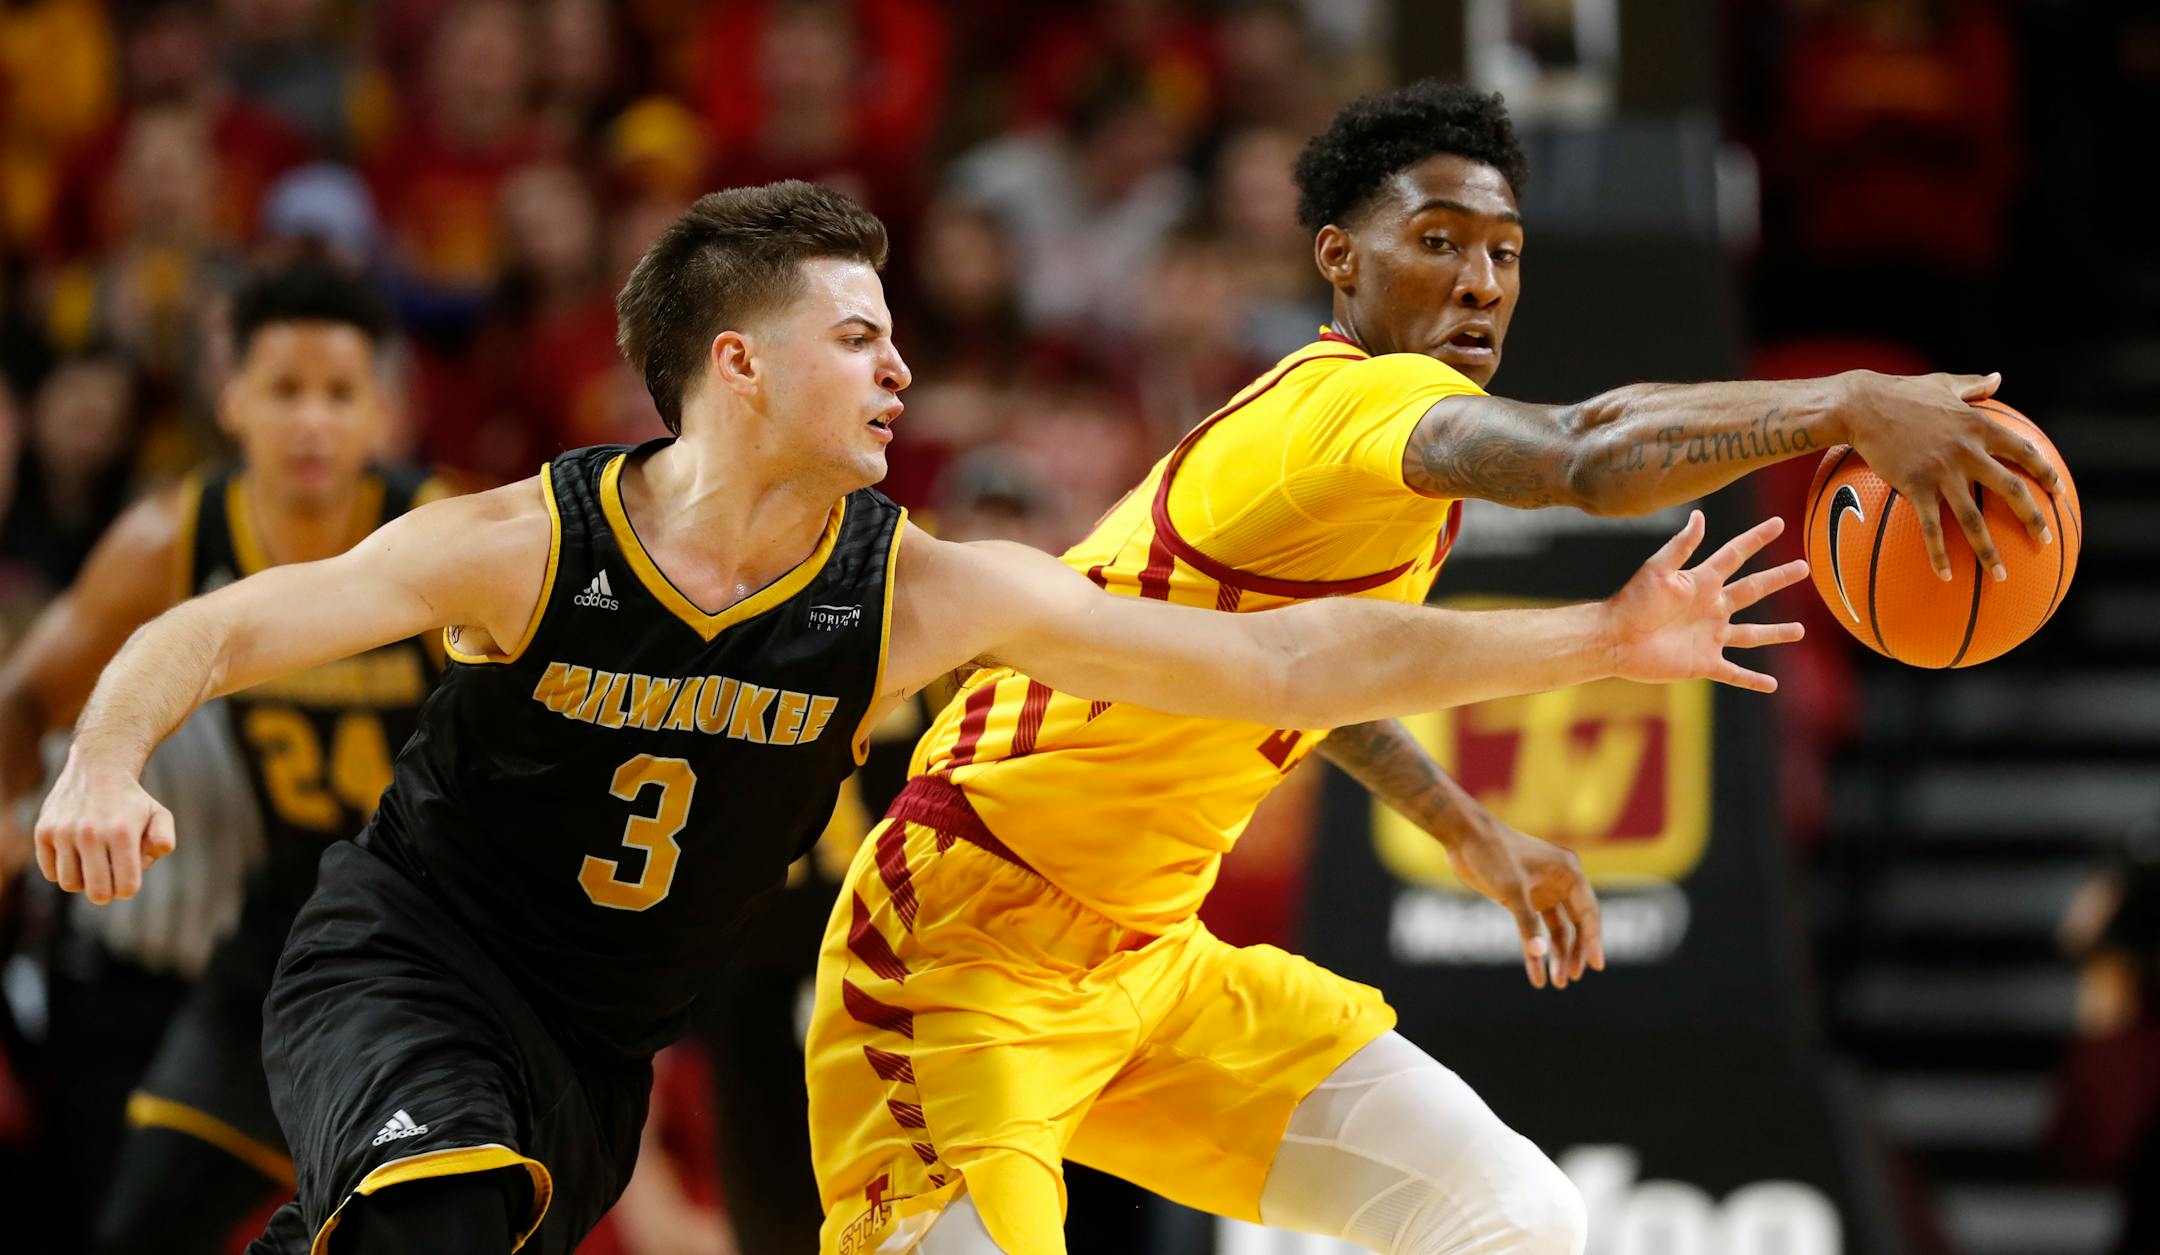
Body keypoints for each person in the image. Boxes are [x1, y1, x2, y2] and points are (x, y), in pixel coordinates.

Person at [33, 180, 1802, 1255]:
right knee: (426, 1217)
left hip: (597, 1043)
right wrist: (105, 757)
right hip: (414, 959)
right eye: (860, 338)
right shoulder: (526, 542)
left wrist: (1601, 635)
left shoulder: (914, 588)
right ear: (739, 366)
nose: (900, 370)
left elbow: (1279, 673)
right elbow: (218, 626)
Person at [803, 81, 2063, 1255]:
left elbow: (1301, 671)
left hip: (1148, 962)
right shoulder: (1337, 410)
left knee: (1515, 1213)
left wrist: (1471, 831)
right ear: (1339, 259)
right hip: (961, 948)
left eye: (1504, 254)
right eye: (1440, 241)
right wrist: (1842, 402)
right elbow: (1585, 451)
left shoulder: (1366, 474)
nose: (1480, 282)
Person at [0, 259, 449, 1254]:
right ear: (232, 399)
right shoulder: (177, 533)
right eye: (286, 391)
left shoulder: (445, 530)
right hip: (265, 936)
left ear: (384, 411)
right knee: (136, 1230)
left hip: (422, 945)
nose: (312, 423)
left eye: (339, 395)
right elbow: (28, 695)